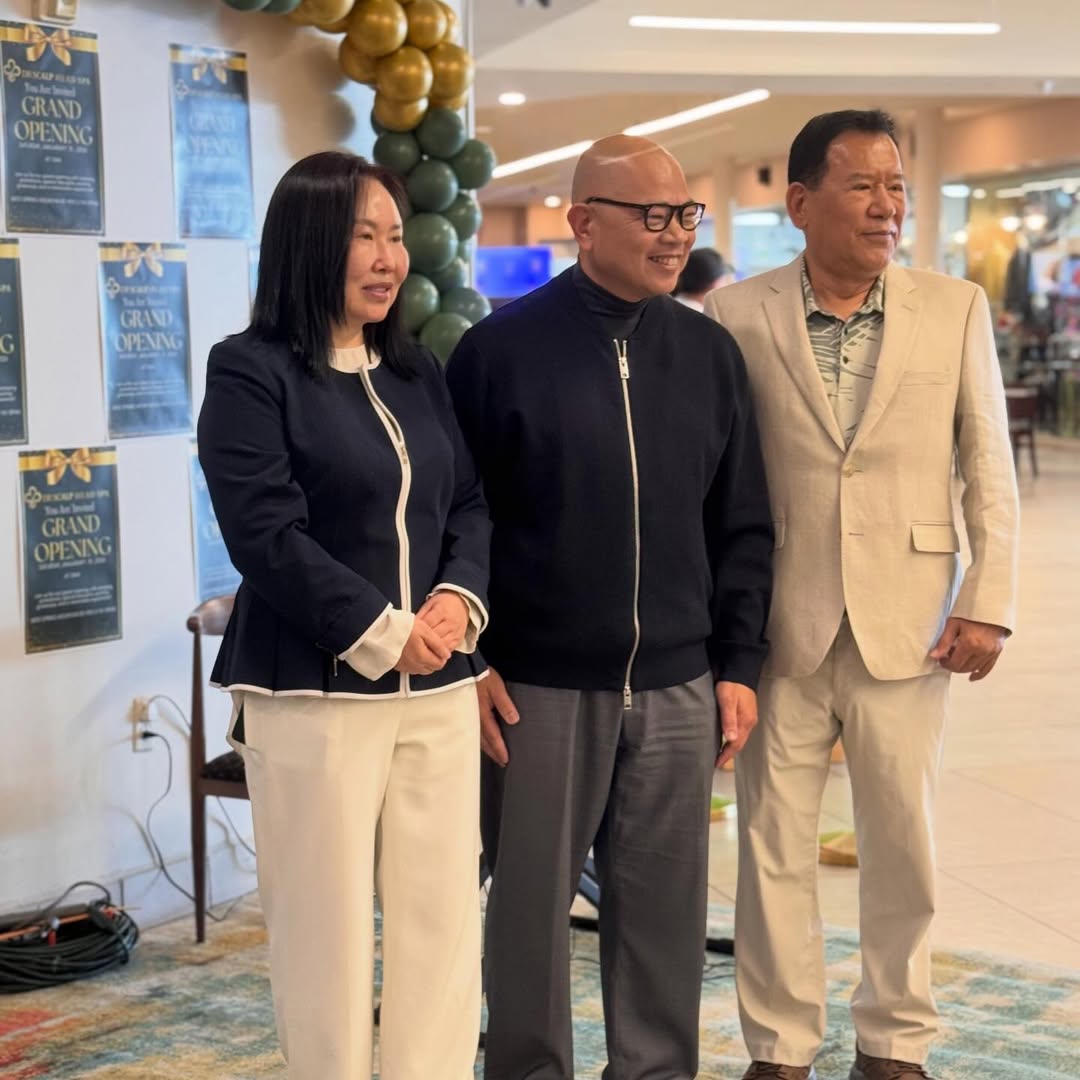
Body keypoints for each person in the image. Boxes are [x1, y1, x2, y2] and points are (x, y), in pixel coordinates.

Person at [446, 135, 774, 1080]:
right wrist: (474, 658)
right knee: (529, 913)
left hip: (678, 683)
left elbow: (742, 521)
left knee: (667, 914)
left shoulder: (708, 355)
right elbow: (457, 521)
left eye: (686, 214)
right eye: (652, 215)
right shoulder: (499, 352)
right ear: (583, 222)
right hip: (537, 688)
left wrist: (738, 663)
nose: (675, 236)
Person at [704, 110, 1020, 1080]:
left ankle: (895, 1039)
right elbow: (713, 480)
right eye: (863, 187)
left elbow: (987, 464)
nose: (887, 207)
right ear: (801, 203)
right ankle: (780, 1046)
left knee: (902, 843)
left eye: (897, 188)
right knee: (770, 846)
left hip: (911, 618)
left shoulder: (953, 308)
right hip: (778, 623)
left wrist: (989, 596)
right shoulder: (735, 315)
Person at [197, 151, 490, 1080]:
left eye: (396, 236)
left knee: (444, 921)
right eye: (364, 236)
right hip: (312, 693)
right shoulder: (249, 372)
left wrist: (456, 601)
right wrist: (387, 632)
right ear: (310, 243)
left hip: (439, 687)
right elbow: (264, 534)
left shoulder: (415, 369)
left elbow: (468, 504)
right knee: (323, 934)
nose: (388, 258)